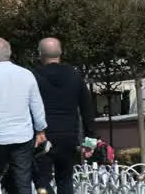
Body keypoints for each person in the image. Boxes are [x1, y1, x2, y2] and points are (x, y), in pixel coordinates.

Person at [0, 38, 47, 194]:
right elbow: (37, 106)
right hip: (22, 136)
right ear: (10, 53)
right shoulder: (27, 75)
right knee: (23, 181)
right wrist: (40, 130)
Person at [32, 37, 95, 194]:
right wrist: (90, 138)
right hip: (69, 135)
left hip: (42, 135)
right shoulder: (75, 75)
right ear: (61, 53)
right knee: (65, 179)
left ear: (40, 54)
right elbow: (87, 108)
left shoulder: (33, 76)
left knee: (41, 178)